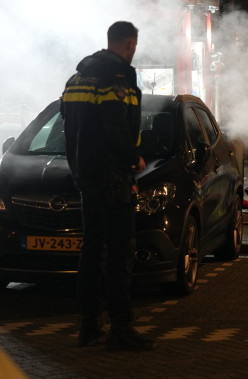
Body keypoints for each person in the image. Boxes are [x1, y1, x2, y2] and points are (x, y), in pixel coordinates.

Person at [61, 21, 154, 351]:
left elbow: (68, 125)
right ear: (129, 43)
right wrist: (134, 159)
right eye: (134, 46)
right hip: (113, 177)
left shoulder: (77, 78)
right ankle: (121, 327)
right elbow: (115, 124)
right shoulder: (116, 78)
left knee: (91, 249)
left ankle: (88, 325)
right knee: (119, 253)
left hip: (85, 176)